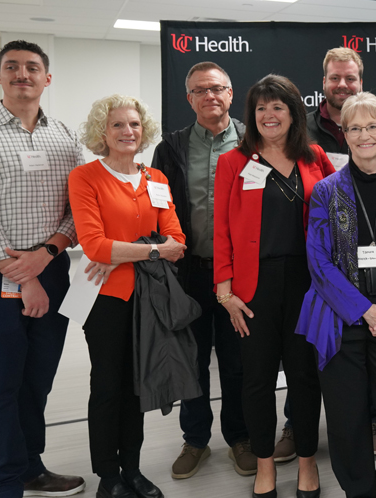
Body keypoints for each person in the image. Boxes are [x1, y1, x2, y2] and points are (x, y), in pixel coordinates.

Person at [0, 39, 86, 498]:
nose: (22, 74)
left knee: (37, 380)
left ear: (47, 78)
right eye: (12, 66)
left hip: (51, 268)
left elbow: (79, 208)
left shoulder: (64, 136)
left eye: (31, 67)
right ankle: (4, 484)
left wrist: (45, 255)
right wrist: (22, 276)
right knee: (2, 383)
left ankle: (30, 467)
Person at [297, 91, 376, 498]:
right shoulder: (325, 191)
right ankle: (359, 492)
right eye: (355, 128)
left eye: (373, 126)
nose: (365, 135)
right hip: (340, 316)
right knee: (347, 419)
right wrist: (364, 310)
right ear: (345, 134)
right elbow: (319, 262)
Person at [214, 74, 335, 498]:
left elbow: (339, 213)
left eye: (278, 107)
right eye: (261, 108)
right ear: (251, 115)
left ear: (293, 113)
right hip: (253, 288)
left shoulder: (315, 156)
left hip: (309, 285)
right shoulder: (233, 162)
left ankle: (306, 462)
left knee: (304, 377)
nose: (269, 115)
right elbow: (221, 230)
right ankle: (264, 465)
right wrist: (225, 293)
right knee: (257, 379)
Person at [67, 94, 183, 498]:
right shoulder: (85, 178)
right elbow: (94, 246)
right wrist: (151, 249)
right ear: (102, 132)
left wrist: (124, 252)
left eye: (134, 124)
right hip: (104, 299)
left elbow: (177, 241)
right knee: (107, 387)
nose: (127, 131)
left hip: (148, 299)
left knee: (138, 386)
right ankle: (108, 475)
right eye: (117, 124)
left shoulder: (157, 179)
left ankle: (132, 468)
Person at [150, 61, 254, 479]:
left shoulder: (254, 141)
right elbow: (157, 208)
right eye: (200, 90)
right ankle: (195, 440)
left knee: (237, 360)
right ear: (189, 98)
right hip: (188, 274)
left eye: (216, 88)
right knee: (191, 360)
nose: (209, 96)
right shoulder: (170, 148)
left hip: (240, 276)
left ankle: (240, 437)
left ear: (230, 93)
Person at [307, 47, 376, 173]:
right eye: (335, 78)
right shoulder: (302, 129)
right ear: (324, 82)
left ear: (360, 83)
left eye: (350, 79)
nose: (342, 84)